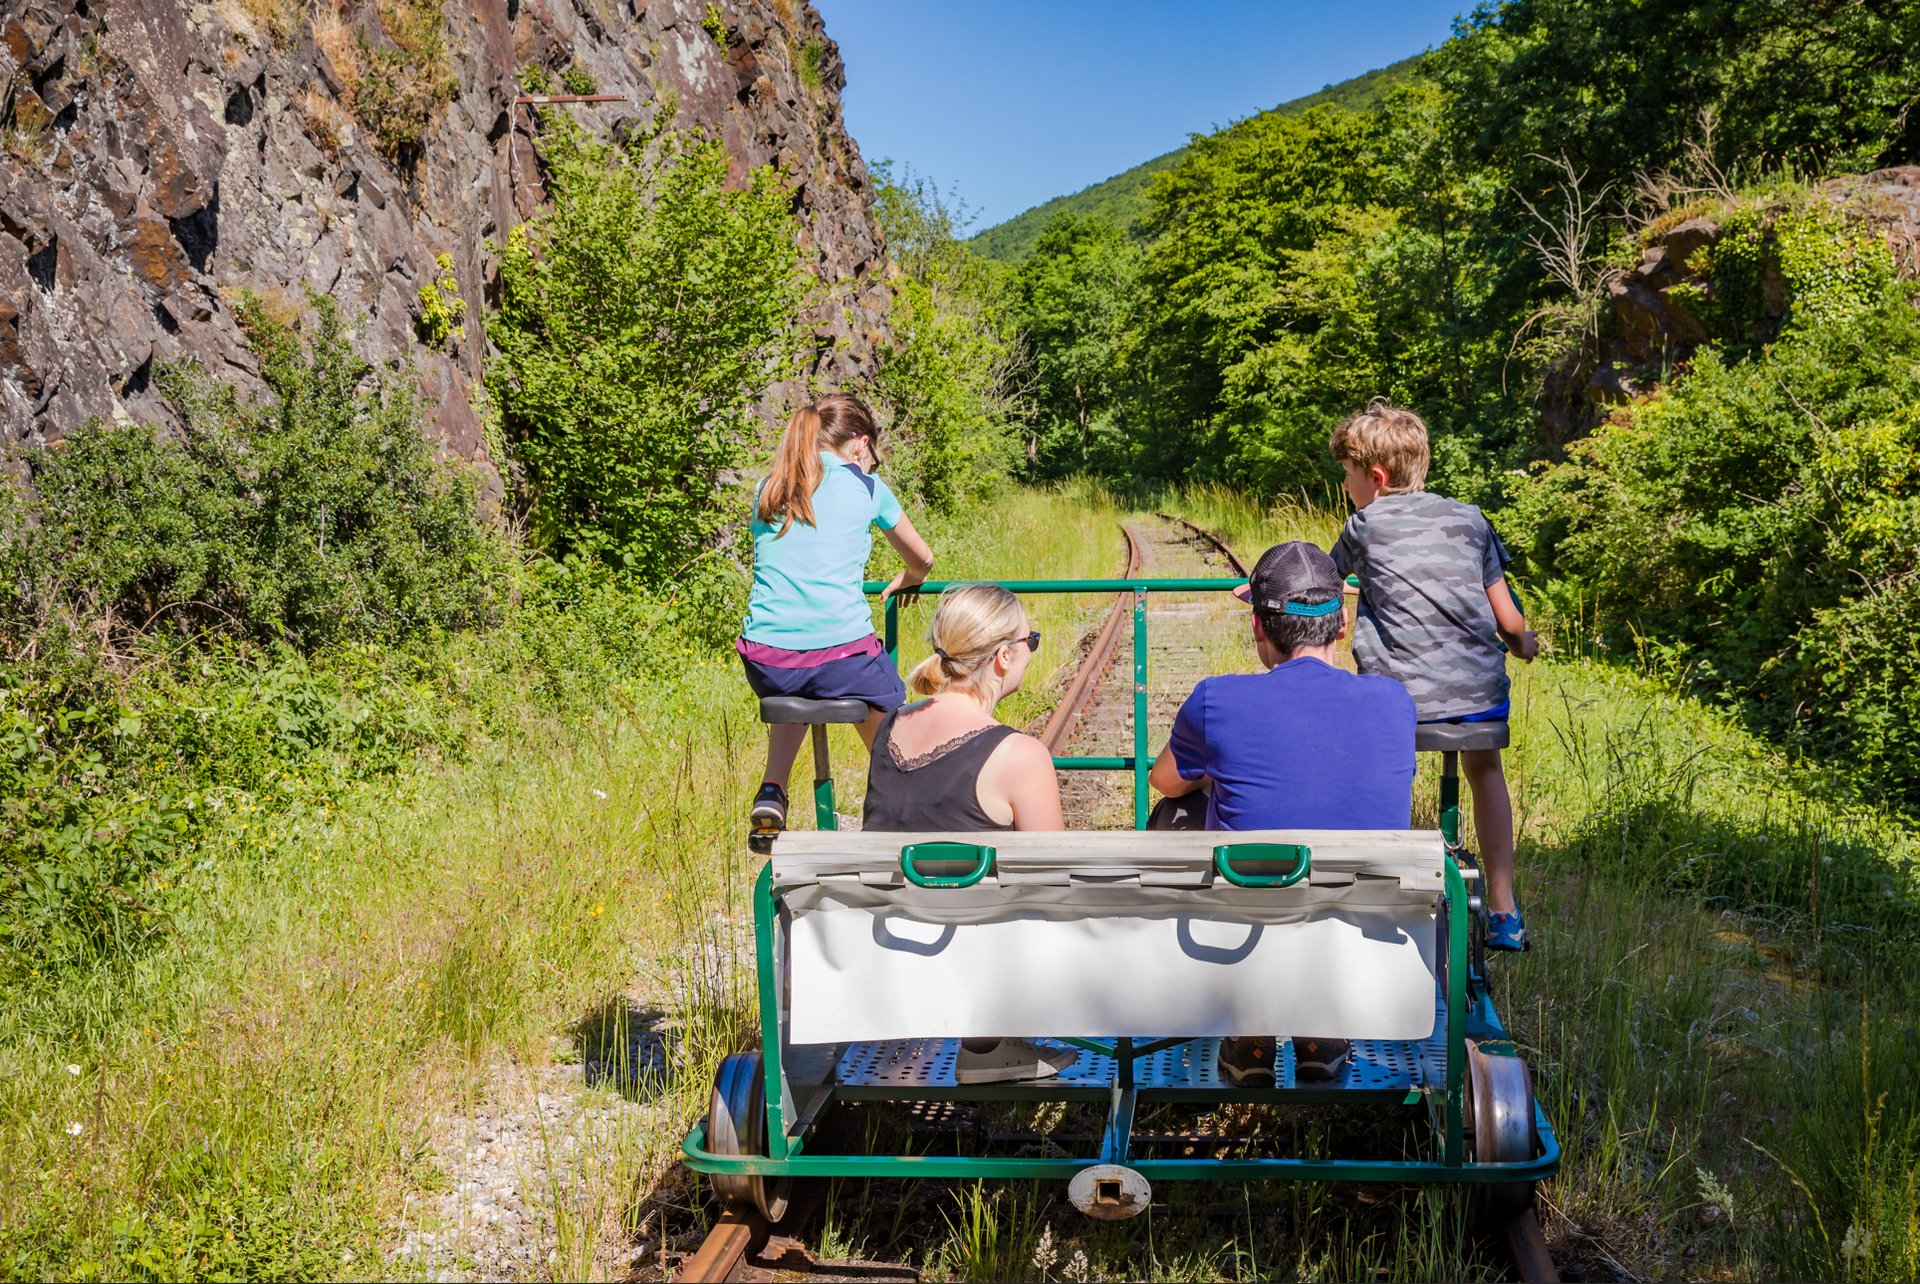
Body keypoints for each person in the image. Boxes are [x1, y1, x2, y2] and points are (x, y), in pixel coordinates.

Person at [1148, 540, 1416, 1085]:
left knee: (1173, 815)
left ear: (1258, 629)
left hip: (1251, 929)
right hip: (1363, 929)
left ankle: (1249, 1034)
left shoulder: (1215, 699)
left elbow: (1166, 780)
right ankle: (1320, 1035)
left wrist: (1220, 767)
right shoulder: (1395, 701)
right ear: (1341, 626)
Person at [1328, 399, 1540, 950]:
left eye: (1347, 477)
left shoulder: (1364, 524)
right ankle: (1502, 907)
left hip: (1398, 703)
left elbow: (1321, 582)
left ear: (1374, 478)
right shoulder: (1471, 520)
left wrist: (1262, 586)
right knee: (1485, 771)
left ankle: (1377, 893)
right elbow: (1510, 622)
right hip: (1477, 698)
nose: (1347, 488)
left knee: (1373, 762)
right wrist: (1526, 646)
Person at [864, 583, 1074, 1083]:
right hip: (977, 971)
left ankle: (988, 1048)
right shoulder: (1019, 757)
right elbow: (1061, 884)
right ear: (1003, 657)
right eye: (1030, 641)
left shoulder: (889, 727)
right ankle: (988, 1043)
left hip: (883, 956)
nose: (1030, 651)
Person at [739, 395, 934, 835]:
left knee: (803, 684)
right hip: (839, 658)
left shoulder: (770, 484)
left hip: (765, 660)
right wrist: (908, 577)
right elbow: (922, 558)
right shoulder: (866, 487)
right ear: (861, 445)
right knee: (884, 700)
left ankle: (772, 790)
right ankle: (899, 803)